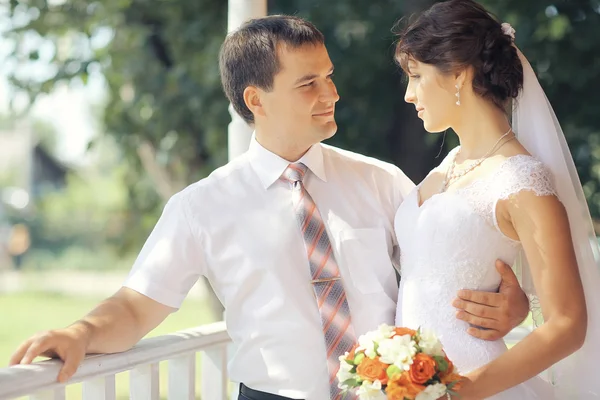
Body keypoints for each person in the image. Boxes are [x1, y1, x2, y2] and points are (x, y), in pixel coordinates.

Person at [10, 15, 529, 400]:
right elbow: (135, 307)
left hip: (395, 394)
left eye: (328, 76)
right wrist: (78, 333)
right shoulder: (200, 207)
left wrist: (515, 307)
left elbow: (439, 276)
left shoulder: (382, 181)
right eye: (308, 83)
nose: (332, 93)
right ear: (255, 100)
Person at [393, 0, 600, 398]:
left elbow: (568, 324)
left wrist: (460, 391)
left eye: (416, 76)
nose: (408, 94)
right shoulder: (448, 167)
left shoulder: (522, 182)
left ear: (457, 73)